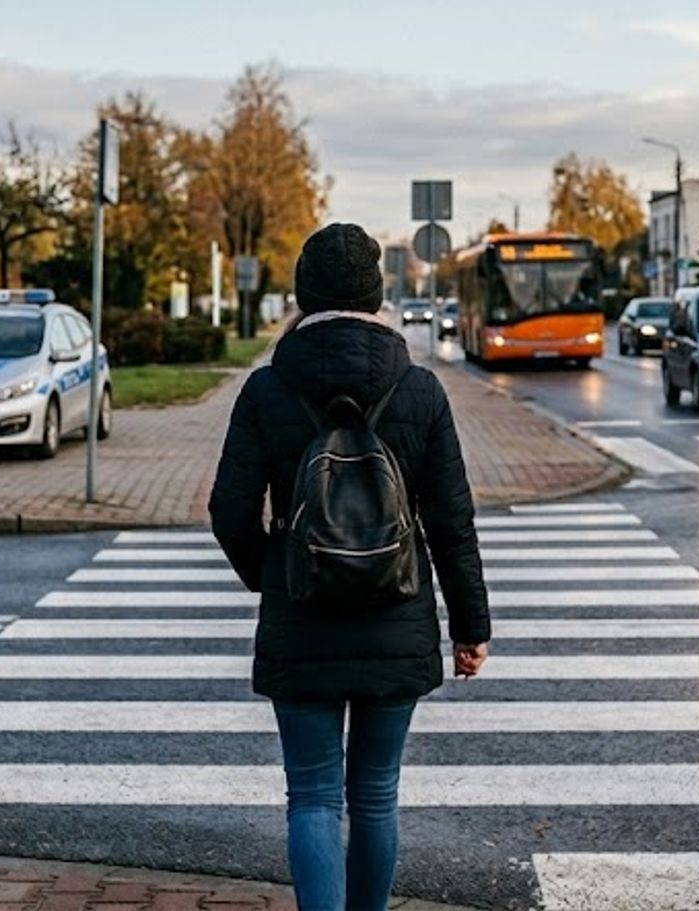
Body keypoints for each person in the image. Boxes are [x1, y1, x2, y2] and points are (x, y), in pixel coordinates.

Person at [209, 222, 490, 911]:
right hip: (397, 616)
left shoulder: (267, 389)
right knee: (374, 794)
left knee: (311, 794)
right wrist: (470, 625)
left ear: (304, 295)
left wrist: (273, 570)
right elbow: (451, 520)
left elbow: (228, 509)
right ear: (376, 292)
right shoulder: (420, 390)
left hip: (301, 618)